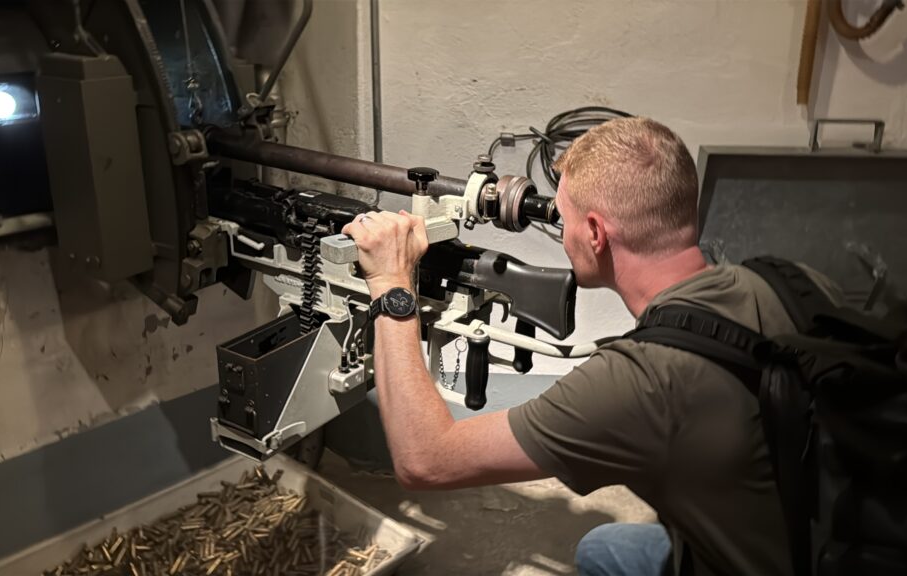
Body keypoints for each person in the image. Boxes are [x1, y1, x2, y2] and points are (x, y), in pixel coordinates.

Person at [341, 117, 839, 576]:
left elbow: (425, 460)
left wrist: (391, 284)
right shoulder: (792, 280)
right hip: (838, 537)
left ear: (596, 233)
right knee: (604, 547)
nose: (562, 234)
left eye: (564, 219)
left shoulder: (639, 383)